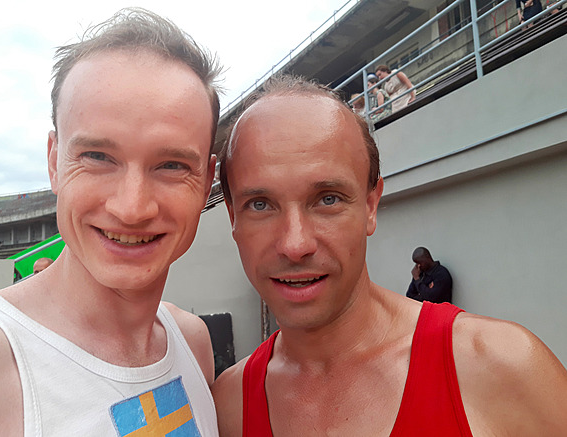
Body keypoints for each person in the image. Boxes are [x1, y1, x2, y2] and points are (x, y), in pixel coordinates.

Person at [212, 75, 567, 436]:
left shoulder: (503, 369)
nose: (295, 243)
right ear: (232, 217)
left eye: (328, 199)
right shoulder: (225, 406)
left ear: (370, 205)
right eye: (260, 204)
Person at [0, 8, 221, 436]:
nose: (132, 208)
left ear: (207, 181)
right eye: (98, 157)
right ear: (55, 161)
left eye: (171, 165)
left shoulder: (193, 343)